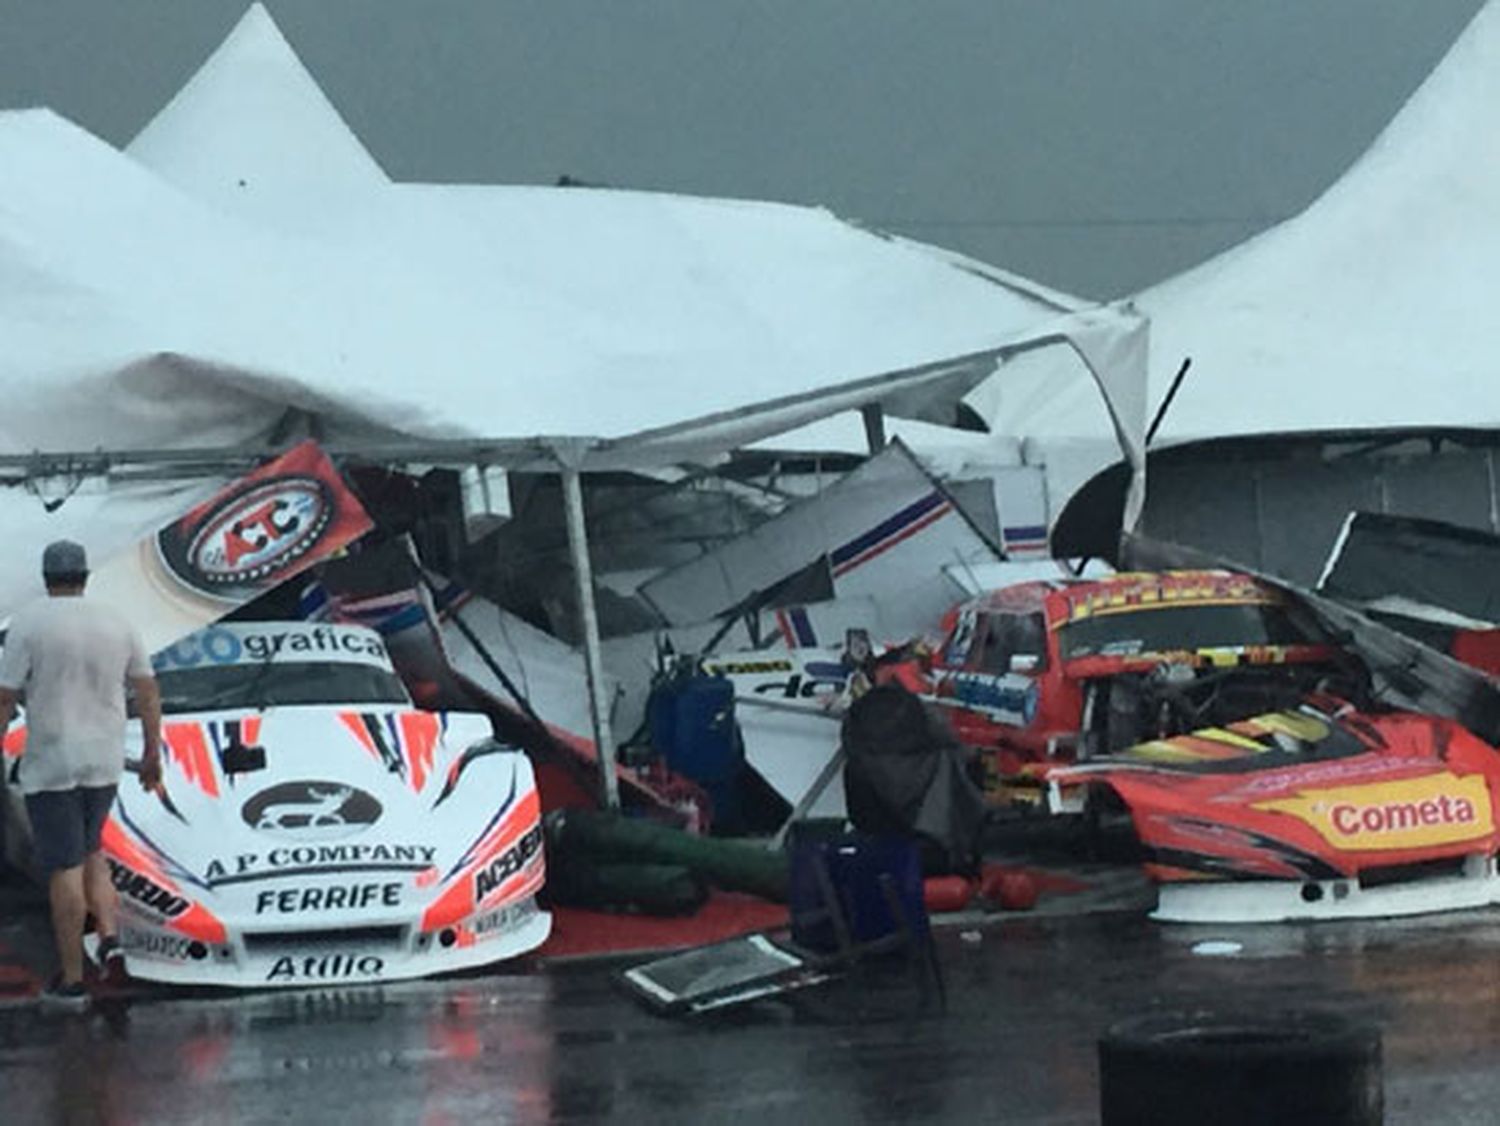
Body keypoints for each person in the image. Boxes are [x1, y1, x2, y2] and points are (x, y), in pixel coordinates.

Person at [0, 540, 162, 1008]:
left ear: (46, 578)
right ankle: (109, 938)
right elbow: (148, 689)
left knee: (63, 865)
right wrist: (152, 754)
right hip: (105, 758)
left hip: (53, 762)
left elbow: (6, 695)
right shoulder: (116, 620)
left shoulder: (29, 623)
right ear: (86, 575)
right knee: (93, 849)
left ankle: (71, 978)